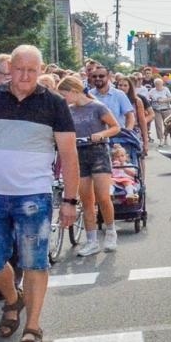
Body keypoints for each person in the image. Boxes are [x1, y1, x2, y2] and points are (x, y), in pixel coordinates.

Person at [0, 46, 80, 342]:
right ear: (9, 68)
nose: (25, 76)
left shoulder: (53, 103)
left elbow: (68, 153)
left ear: (40, 70)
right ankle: (13, 299)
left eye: (31, 70)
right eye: (19, 69)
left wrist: (70, 199)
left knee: (34, 261)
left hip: (33, 194)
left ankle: (33, 325)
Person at [58, 77, 122, 255]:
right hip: (78, 154)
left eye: (64, 95)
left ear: (74, 91)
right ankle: (91, 240)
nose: (64, 99)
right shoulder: (68, 110)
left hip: (98, 152)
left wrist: (101, 134)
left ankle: (110, 231)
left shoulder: (97, 107)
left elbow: (115, 127)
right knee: (86, 199)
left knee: (102, 196)